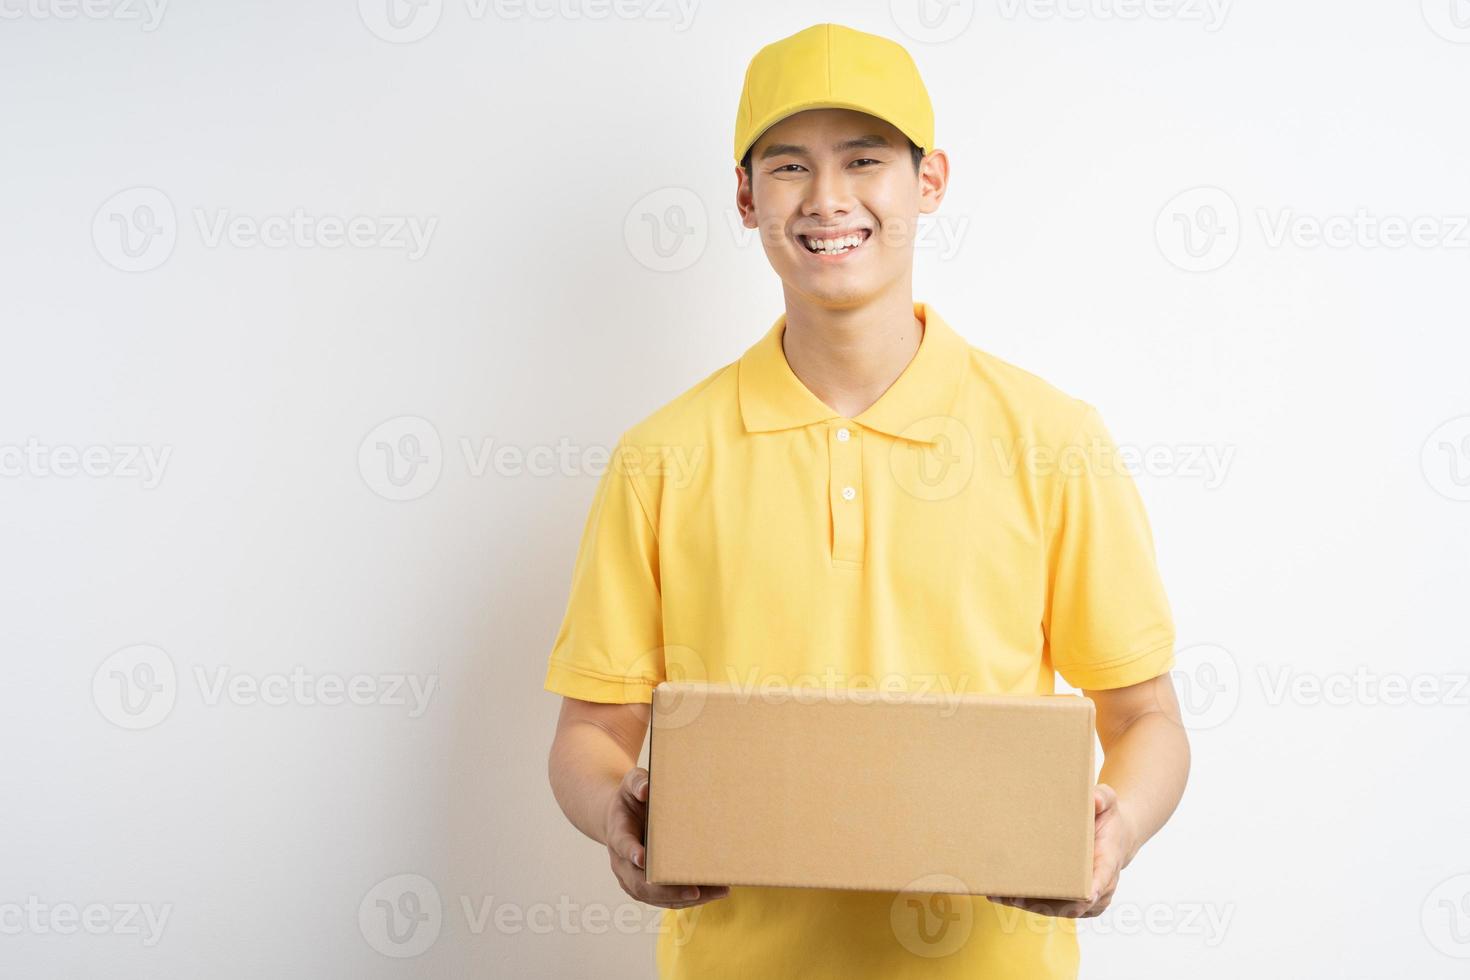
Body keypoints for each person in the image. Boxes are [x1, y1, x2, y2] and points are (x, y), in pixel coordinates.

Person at [544, 22, 1189, 979]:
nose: (828, 199)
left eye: (865, 159)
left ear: (928, 182)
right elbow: (592, 733)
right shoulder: (663, 459)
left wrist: (1115, 829)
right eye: (790, 165)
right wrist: (617, 817)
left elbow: (1145, 720)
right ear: (744, 194)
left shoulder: (1054, 441)